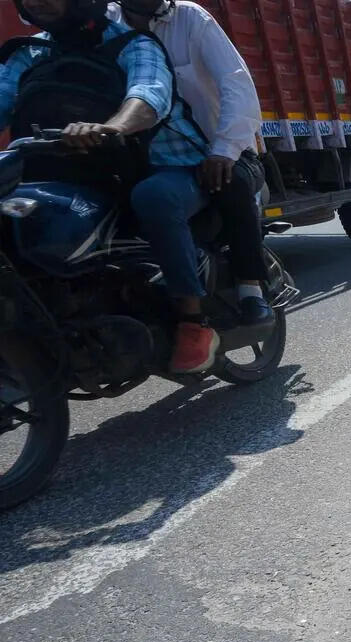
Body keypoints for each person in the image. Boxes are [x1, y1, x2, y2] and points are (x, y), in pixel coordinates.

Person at [0, 0, 218, 372]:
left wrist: (113, 127)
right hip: (58, 176)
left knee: (154, 199)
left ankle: (192, 321)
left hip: (145, 167)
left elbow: (148, 94)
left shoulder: (133, 44)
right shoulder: (30, 53)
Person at [109, 0, 272, 328]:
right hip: (147, 160)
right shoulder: (104, 23)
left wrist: (224, 149)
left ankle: (250, 289)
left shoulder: (190, 18)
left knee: (229, 181)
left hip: (219, 151)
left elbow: (236, 84)